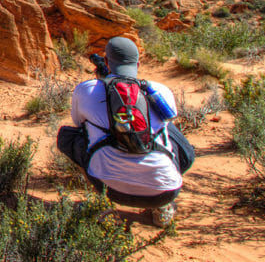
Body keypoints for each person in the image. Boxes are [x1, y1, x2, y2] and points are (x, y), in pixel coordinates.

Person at [56, 36, 193, 226]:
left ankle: (102, 205)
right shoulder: (160, 91)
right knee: (170, 132)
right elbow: (169, 120)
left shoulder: (86, 89)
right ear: (138, 63)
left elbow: (79, 124)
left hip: (108, 186)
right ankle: (163, 210)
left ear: (106, 62)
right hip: (164, 191)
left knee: (70, 137)